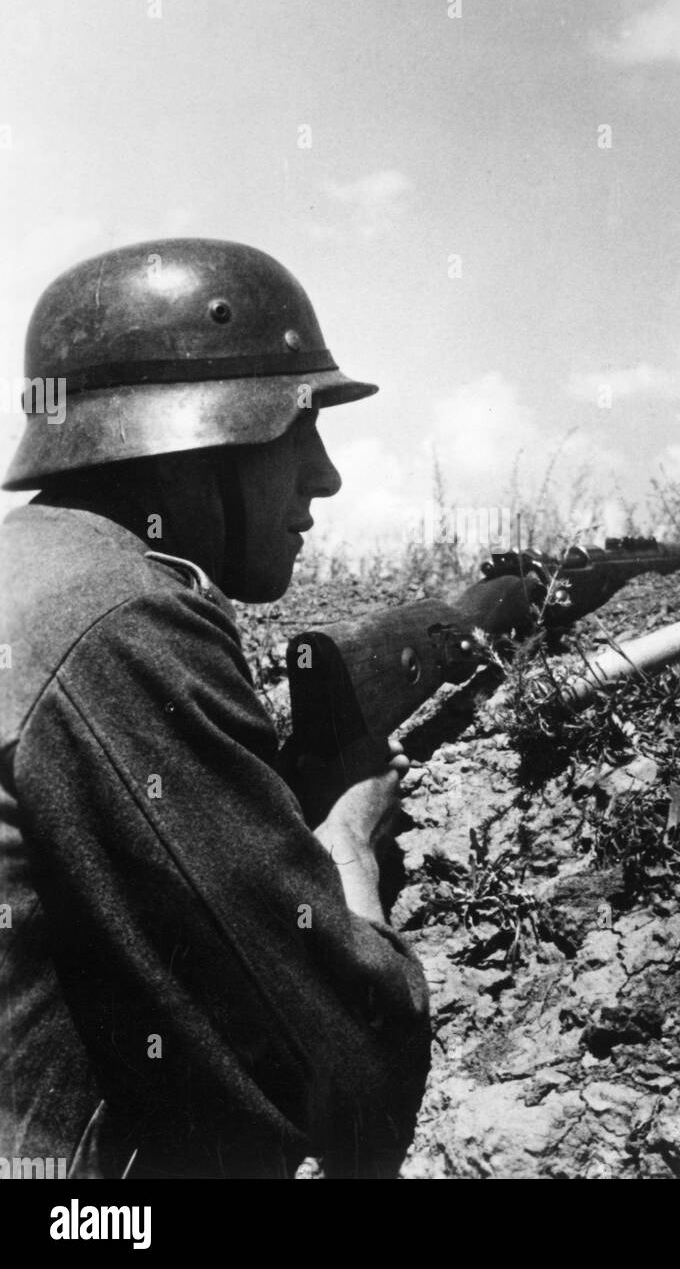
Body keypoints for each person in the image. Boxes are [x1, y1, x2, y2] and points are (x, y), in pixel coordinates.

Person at [0, 239, 430, 1179]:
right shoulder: (124, 614)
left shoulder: (31, 574)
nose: (325, 477)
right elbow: (345, 1068)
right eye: (297, 429)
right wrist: (347, 835)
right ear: (203, 440)